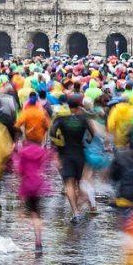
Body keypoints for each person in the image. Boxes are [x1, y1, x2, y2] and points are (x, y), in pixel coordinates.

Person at [49, 94, 99, 223]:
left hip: (65, 153)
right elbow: (92, 133)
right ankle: (80, 208)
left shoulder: (61, 118)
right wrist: (87, 140)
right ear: (79, 106)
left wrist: (58, 144)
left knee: (68, 184)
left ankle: (75, 212)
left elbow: (52, 133)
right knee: (78, 184)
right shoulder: (83, 118)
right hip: (79, 154)